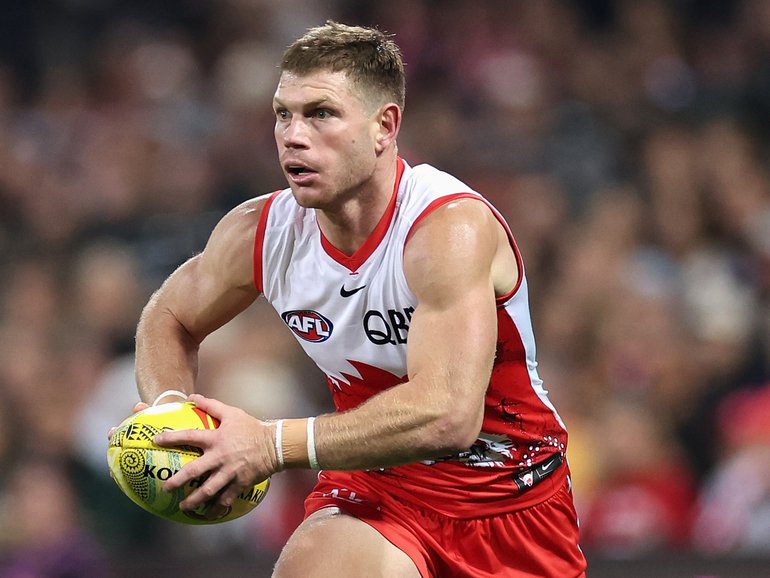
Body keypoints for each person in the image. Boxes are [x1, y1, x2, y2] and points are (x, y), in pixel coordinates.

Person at [129, 21, 587, 578]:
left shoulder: (446, 229)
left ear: (384, 126)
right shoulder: (261, 233)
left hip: (511, 508)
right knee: (315, 564)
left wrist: (271, 445)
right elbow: (168, 315)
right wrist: (171, 417)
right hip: (376, 489)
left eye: (320, 113)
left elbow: (447, 416)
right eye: (283, 114)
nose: (293, 135)